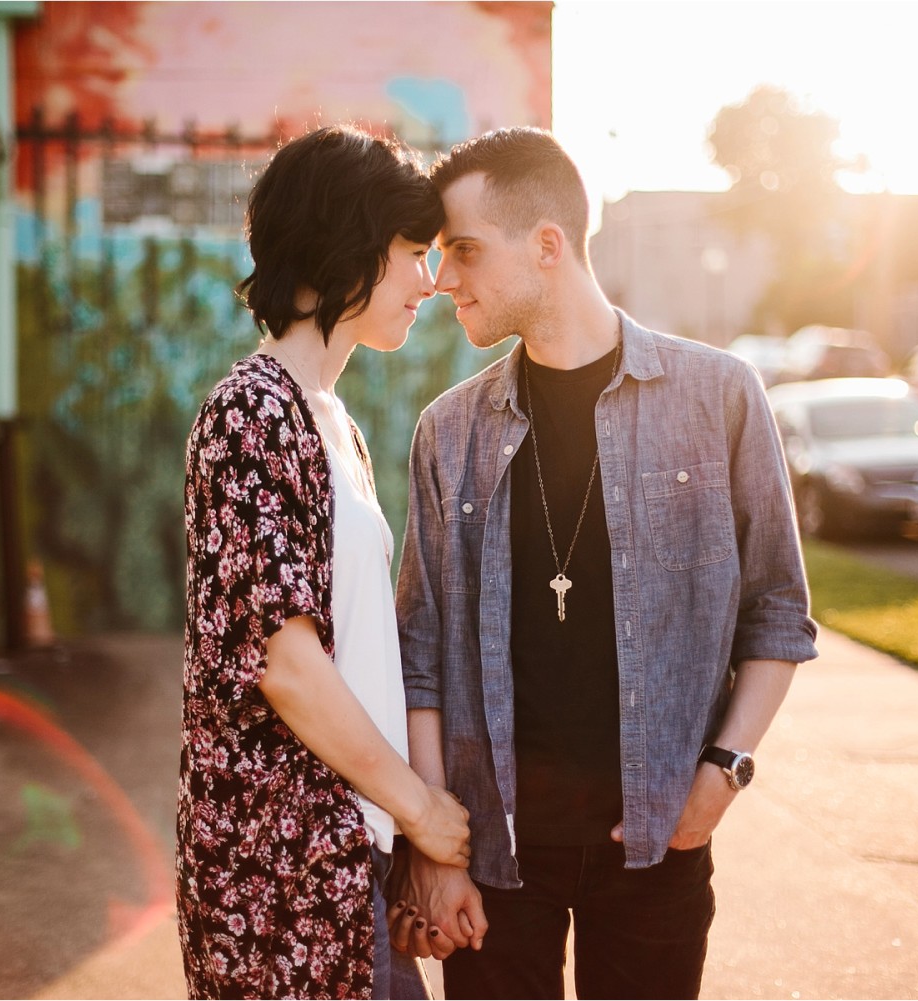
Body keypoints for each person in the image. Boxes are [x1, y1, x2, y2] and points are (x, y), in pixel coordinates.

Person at [389, 127, 819, 999]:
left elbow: (778, 609)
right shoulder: (449, 431)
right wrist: (434, 851)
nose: (442, 280)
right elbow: (420, 655)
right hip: (494, 859)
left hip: (658, 846)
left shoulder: (720, 396)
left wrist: (723, 775)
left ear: (547, 246)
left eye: (463, 250)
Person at [177, 125, 472, 1000]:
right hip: (278, 880)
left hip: (342, 862)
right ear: (345, 246)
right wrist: (420, 807)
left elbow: (359, 657)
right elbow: (286, 664)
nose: (431, 278)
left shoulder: (330, 423)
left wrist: (395, 833)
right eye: (412, 251)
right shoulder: (250, 414)